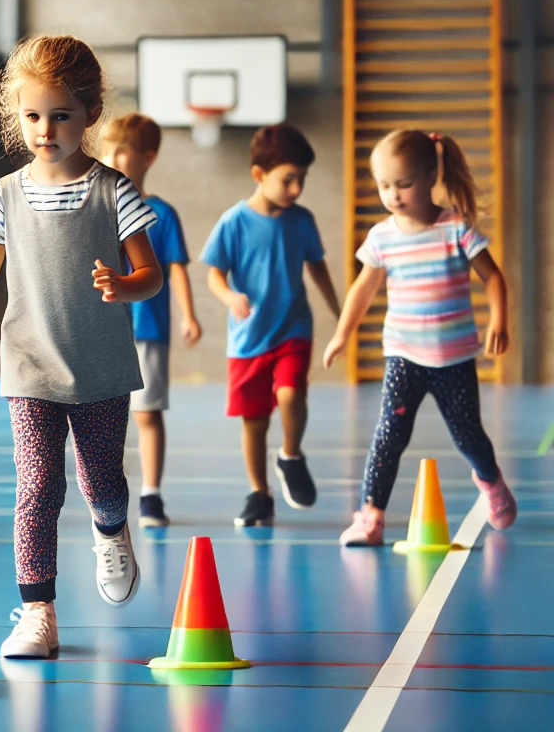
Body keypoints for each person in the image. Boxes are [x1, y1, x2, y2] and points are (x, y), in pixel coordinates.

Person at [0, 35, 162, 659]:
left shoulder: (115, 191)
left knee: (101, 479)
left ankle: (111, 527)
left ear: (89, 115)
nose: (45, 129)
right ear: (15, 116)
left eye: (61, 116)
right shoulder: (6, 194)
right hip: (29, 366)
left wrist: (125, 285)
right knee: (38, 485)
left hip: (100, 368)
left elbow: (150, 273)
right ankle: (37, 611)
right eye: (32, 116)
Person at [324, 129, 516, 545]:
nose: (392, 195)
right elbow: (363, 288)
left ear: (431, 177)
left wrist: (499, 320)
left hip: (454, 358)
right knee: (388, 436)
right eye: (384, 185)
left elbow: (493, 277)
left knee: (468, 434)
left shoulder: (456, 229)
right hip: (403, 355)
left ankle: (491, 481)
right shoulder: (382, 237)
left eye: (404, 184)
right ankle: (370, 517)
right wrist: (342, 334)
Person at [202, 123, 340, 527]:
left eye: (302, 180)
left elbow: (317, 267)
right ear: (260, 174)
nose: (297, 189)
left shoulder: (302, 220)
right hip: (249, 339)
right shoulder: (234, 222)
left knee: (291, 393)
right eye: (288, 179)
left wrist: (337, 308)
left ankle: (291, 455)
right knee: (255, 420)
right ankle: (259, 493)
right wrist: (230, 297)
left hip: (293, 327)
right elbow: (214, 274)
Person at [102, 113, 201, 528]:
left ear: (148, 157)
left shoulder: (161, 213)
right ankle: (107, 494)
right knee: (105, 416)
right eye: (110, 149)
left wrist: (189, 315)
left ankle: (151, 495)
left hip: (148, 329)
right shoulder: (97, 207)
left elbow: (175, 267)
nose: (115, 157)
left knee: (147, 413)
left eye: (124, 151)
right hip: (104, 329)